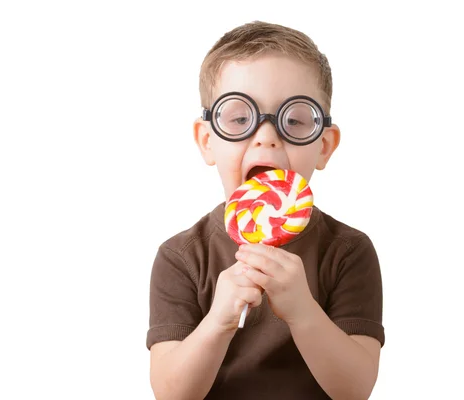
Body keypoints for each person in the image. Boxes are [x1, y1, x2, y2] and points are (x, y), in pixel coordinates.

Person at [147, 20, 385, 400]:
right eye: (239, 118)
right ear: (207, 141)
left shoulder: (347, 251)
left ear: (324, 145)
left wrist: (302, 310)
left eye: (295, 120)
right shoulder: (182, 257)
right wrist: (218, 321)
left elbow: (354, 390)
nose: (267, 136)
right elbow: (172, 394)